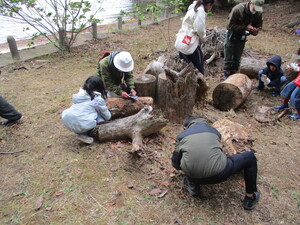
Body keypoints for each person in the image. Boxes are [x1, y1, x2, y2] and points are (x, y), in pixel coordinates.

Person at [171, 116, 259, 210]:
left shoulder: (181, 136)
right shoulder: (214, 131)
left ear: (186, 127)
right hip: (220, 174)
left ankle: (193, 185)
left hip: (193, 177)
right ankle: (250, 197)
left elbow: (175, 164)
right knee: (250, 157)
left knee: (193, 160)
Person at [61, 76, 111, 144]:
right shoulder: (97, 99)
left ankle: (81, 133)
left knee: (86, 113)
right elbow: (107, 116)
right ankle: (86, 133)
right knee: (99, 115)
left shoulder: (79, 95)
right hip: (83, 123)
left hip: (70, 121)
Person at [223, 0, 264, 79]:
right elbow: (230, 25)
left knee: (238, 54)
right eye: (255, 7)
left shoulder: (258, 13)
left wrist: (255, 30)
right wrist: (246, 27)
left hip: (243, 35)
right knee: (229, 49)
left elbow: (258, 25)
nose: (255, 10)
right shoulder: (238, 9)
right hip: (232, 32)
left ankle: (234, 72)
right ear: (251, 3)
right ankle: (227, 72)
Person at [175, 0, 215, 75]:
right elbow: (200, 29)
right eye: (211, 6)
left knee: (186, 60)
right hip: (191, 39)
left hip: (184, 36)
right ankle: (200, 79)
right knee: (199, 63)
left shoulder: (194, 6)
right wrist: (203, 38)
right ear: (209, 4)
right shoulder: (200, 11)